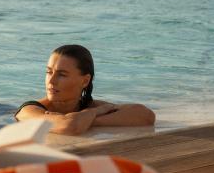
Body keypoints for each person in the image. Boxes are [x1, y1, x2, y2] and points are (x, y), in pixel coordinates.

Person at [14, 44, 155, 135]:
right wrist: (94, 113)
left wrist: (88, 118)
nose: (51, 81)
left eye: (61, 74)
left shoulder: (89, 108)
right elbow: (70, 126)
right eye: (49, 72)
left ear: (85, 80)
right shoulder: (29, 109)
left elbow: (146, 116)